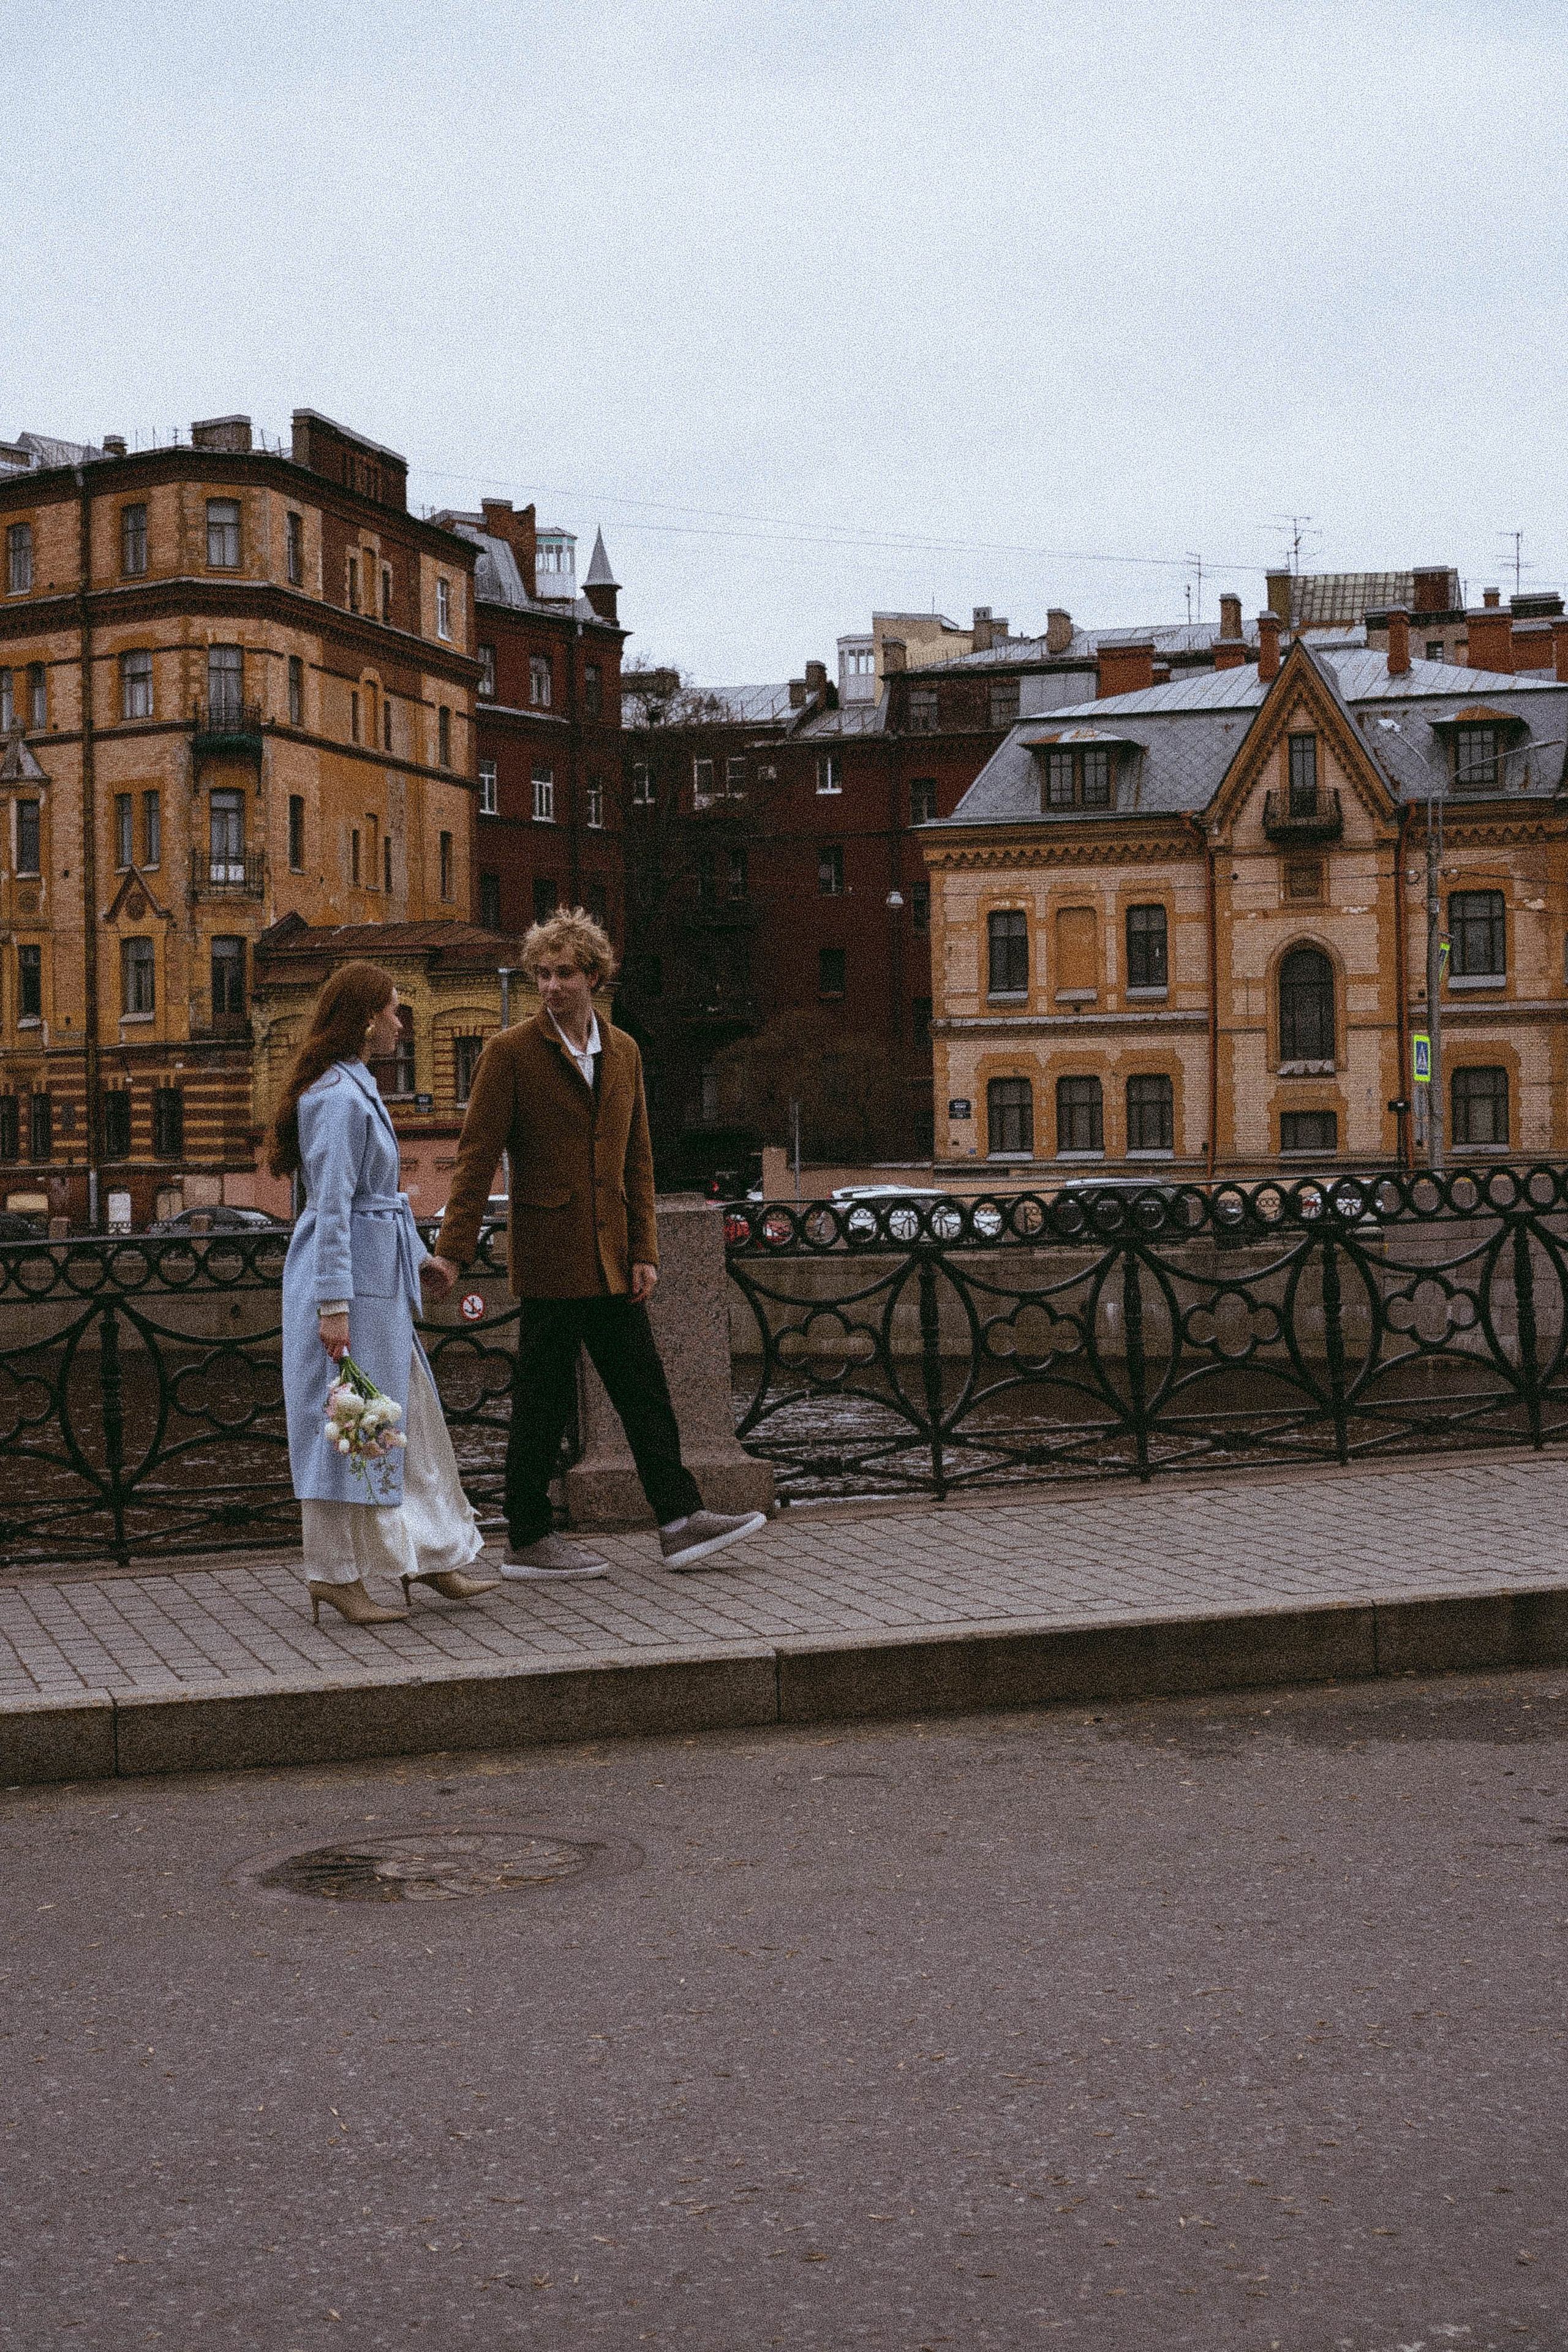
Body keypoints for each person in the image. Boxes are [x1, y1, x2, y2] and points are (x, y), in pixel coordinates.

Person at [425, 908, 766, 1580]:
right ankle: (528, 1537)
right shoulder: (510, 1053)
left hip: (612, 1258)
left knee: (644, 1392)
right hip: (551, 1257)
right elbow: (476, 1157)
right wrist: (453, 1252)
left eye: (565, 974)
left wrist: (646, 1251)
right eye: (542, 974)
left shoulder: (624, 1050)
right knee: (542, 1401)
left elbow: (637, 1160)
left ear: (594, 977)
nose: (552, 986)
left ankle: (679, 1522)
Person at [268, 961, 499, 1626]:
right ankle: (334, 1575)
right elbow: (333, 1210)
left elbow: (369, 1206)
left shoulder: (352, 1087)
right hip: (350, 1295)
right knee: (347, 1429)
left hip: (376, 1288)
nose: (403, 1022)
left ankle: (430, 1555)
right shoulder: (337, 1099)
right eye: (396, 1010)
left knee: (403, 1424)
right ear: (368, 1020)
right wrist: (333, 1308)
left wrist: (416, 1259)